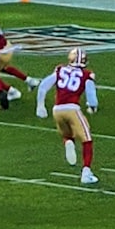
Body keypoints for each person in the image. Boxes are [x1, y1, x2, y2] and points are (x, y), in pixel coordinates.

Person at [36, 48, 100, 185]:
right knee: (87, 139)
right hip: (72, 109)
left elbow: (43, 86)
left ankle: (68, 142)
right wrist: (92, 107)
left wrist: (40, 106)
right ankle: (86, 173)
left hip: (57, 110)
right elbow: (92, 96)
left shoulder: (60, 70)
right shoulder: (86, 74)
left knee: (67, 134)